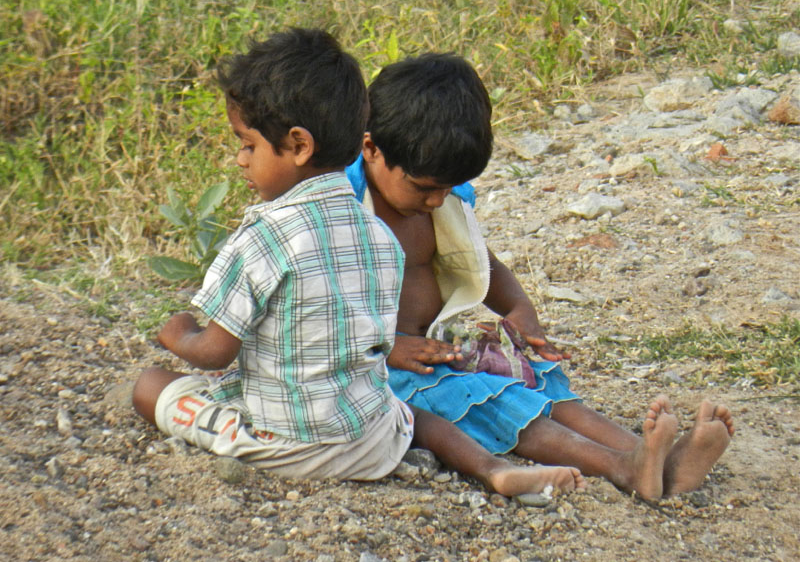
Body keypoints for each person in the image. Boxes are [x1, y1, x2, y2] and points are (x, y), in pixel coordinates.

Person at [132, 29, 585, 496]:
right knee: (417, 418)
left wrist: (179, 334)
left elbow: (215, 352)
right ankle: (492, 469)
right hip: (374, 436)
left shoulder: (261, 237)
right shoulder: (377, 232)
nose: (240, 159)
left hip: (291, 445)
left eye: (248, 144)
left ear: (300, 144)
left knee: (151, 385)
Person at [345, 52, 734, 500]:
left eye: (447, 189)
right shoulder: (344, 209)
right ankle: (622, 467)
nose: (437, 201)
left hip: (434, 351)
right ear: (371, 149)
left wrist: (519, 307)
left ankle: (654, 458)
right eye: (425, 188)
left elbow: (479, 260)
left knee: (541, 381)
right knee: (499, 402)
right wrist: (389, 346)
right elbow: (318, 306)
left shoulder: (440, 197)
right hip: (383, 368)